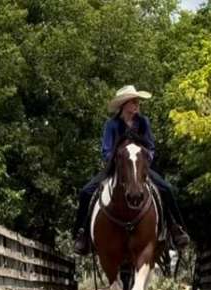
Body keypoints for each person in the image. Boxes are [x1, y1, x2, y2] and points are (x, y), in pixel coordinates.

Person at [73, 85, 190, 255]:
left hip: (140, 167)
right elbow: (106, 151)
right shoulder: (111, 125)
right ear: (124, 104)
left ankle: (176, 228)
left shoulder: (143, 123)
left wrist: (144, 160)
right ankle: (81, 234)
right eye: (134, 102)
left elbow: (150, 147)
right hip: (116, 168)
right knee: (85, 192)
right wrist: (118, 162)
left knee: (167, 189)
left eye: (138, 102)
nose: (137, 105)